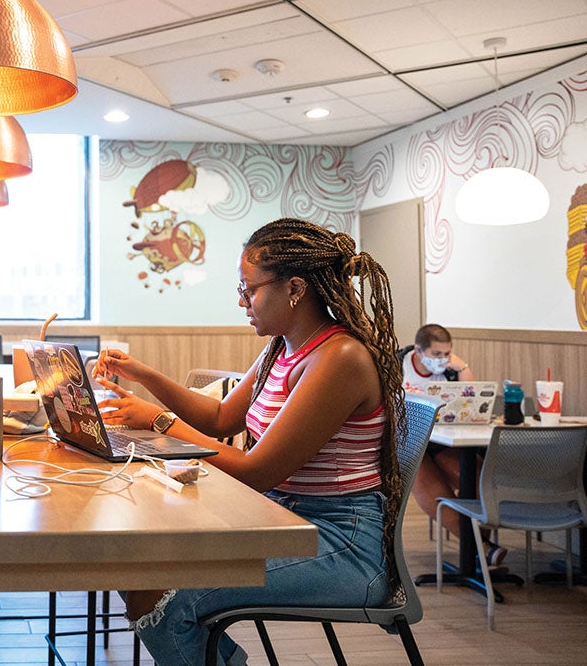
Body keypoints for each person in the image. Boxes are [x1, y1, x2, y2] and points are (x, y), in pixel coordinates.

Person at [91, 218, 405, 666]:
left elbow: (258, 472)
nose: (242, 301)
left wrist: (159, 421)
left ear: (294, 288)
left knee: (160, 592)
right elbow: (220, 417)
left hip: (342, 542)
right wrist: (143, 375)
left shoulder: (341, 358)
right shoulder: (282, 346)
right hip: (287, 519)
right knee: (141, 562)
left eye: (249, 289)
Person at [402, 325, 505, 564]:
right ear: (419, 350)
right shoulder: (398, 365)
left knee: (477, 475)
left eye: (447, 354)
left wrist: (463, 368)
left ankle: (479, 551)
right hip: (409, 441)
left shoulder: (450, 370)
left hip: (443, 441)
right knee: (420, 475)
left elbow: (472, 405)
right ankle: (482, 549)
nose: (442, 360)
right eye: (436, 354)